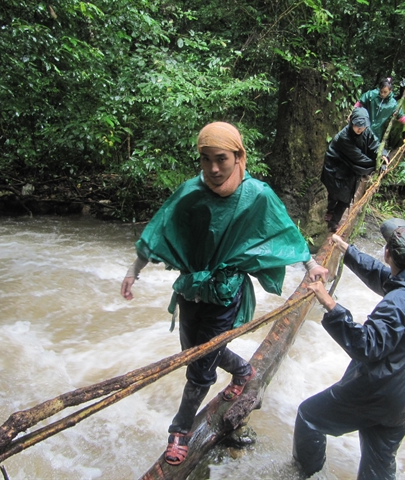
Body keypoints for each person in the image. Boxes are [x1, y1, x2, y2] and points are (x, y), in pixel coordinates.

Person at [120, 121, 329, 466]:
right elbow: (160, 231)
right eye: (206, 160)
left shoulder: (256, 195)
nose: (214, 169)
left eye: (221, 159)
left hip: (226, 291)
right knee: (194, 351)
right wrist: (133, 270)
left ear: (238, 156)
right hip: (191, 288)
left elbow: (283, 230)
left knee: (200, 367)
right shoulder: (190, 192)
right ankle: (244, 371)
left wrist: (310, 266)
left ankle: (179, 431)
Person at [293, 218, 405, 479]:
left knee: (309, 417)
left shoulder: (396, 304)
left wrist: (330, 304)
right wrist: (348, 252)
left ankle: (305, 474)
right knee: (378, 461)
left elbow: (365, 346)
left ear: (388, 253)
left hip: (378, 393)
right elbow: (384, 278)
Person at [321, 107, 388, 232]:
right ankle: (330, 211)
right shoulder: (344, 137)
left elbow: (375, 145)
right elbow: (358, 157)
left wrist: (382, 155)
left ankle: (333, 222)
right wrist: (376, 166)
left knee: (347, 196)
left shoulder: (366, 131)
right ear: (352, 122)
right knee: (336, 192)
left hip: (350, 168)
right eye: (357, 126)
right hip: (336, 166)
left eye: (362, 126)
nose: (360, 129)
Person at [354, 78, 405, 142]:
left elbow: (401, 116)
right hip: (363, 126)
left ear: (390, 90)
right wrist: (352, 113)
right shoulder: (372, 94)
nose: (382, 94)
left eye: (385, 92)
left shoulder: (393, 104)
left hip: (377, 132)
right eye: (381, 91)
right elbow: (360, 103)